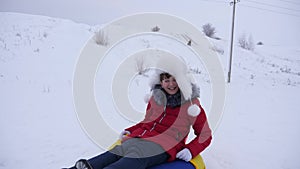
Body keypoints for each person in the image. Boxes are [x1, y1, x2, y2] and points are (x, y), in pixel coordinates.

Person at [66, 69, 212, 169]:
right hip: (142, 137)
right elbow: (147, 123)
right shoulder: (156, 99)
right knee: (117, 151)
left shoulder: (191, 105)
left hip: (165, 145)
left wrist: (190, 151)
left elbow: (205, 135)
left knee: (136, 156)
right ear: (161, 82)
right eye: (166, 80)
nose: (171, 84)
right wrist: (130, 131)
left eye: (174, 80)